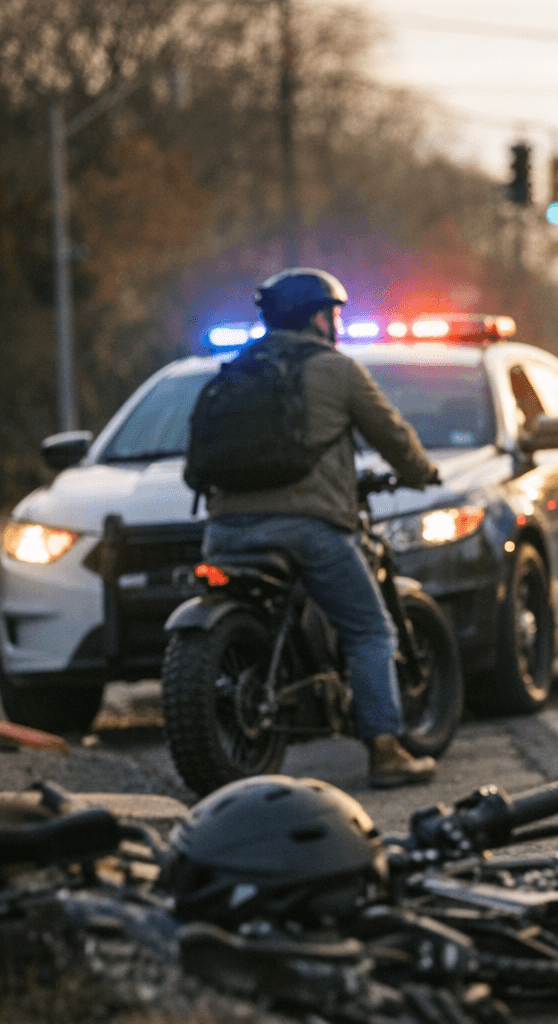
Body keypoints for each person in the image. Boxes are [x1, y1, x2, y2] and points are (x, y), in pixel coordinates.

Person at [202, 268, 440, 789]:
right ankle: (384, 749)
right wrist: (423, 473)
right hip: (306, 528)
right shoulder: (336, 370)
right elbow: (392, 435)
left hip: (224, 530)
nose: (335, 323)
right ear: (318, 316)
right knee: (369, 629)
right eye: (333, 313)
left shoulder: (234, 369)